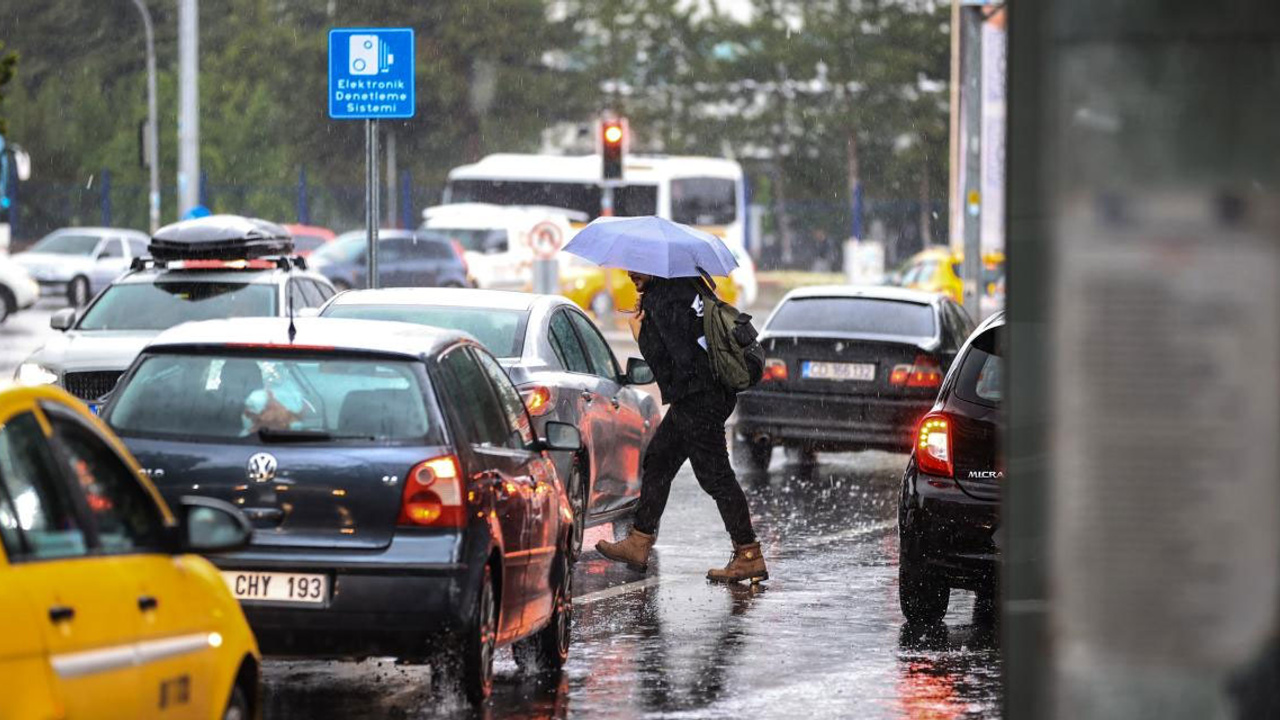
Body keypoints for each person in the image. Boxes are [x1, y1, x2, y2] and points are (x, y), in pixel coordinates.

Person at [595, 271, 768, 584]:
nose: (631, 274)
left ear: (655, 266)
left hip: (697, 398)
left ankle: (748, 553)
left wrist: (641, 332)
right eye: (629, 269)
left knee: (716, 477)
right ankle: (639, 540)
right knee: (659, 459)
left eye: (638, 268)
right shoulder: (692, 285)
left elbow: (677, 362)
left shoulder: (664, 299)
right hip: (710, 392)